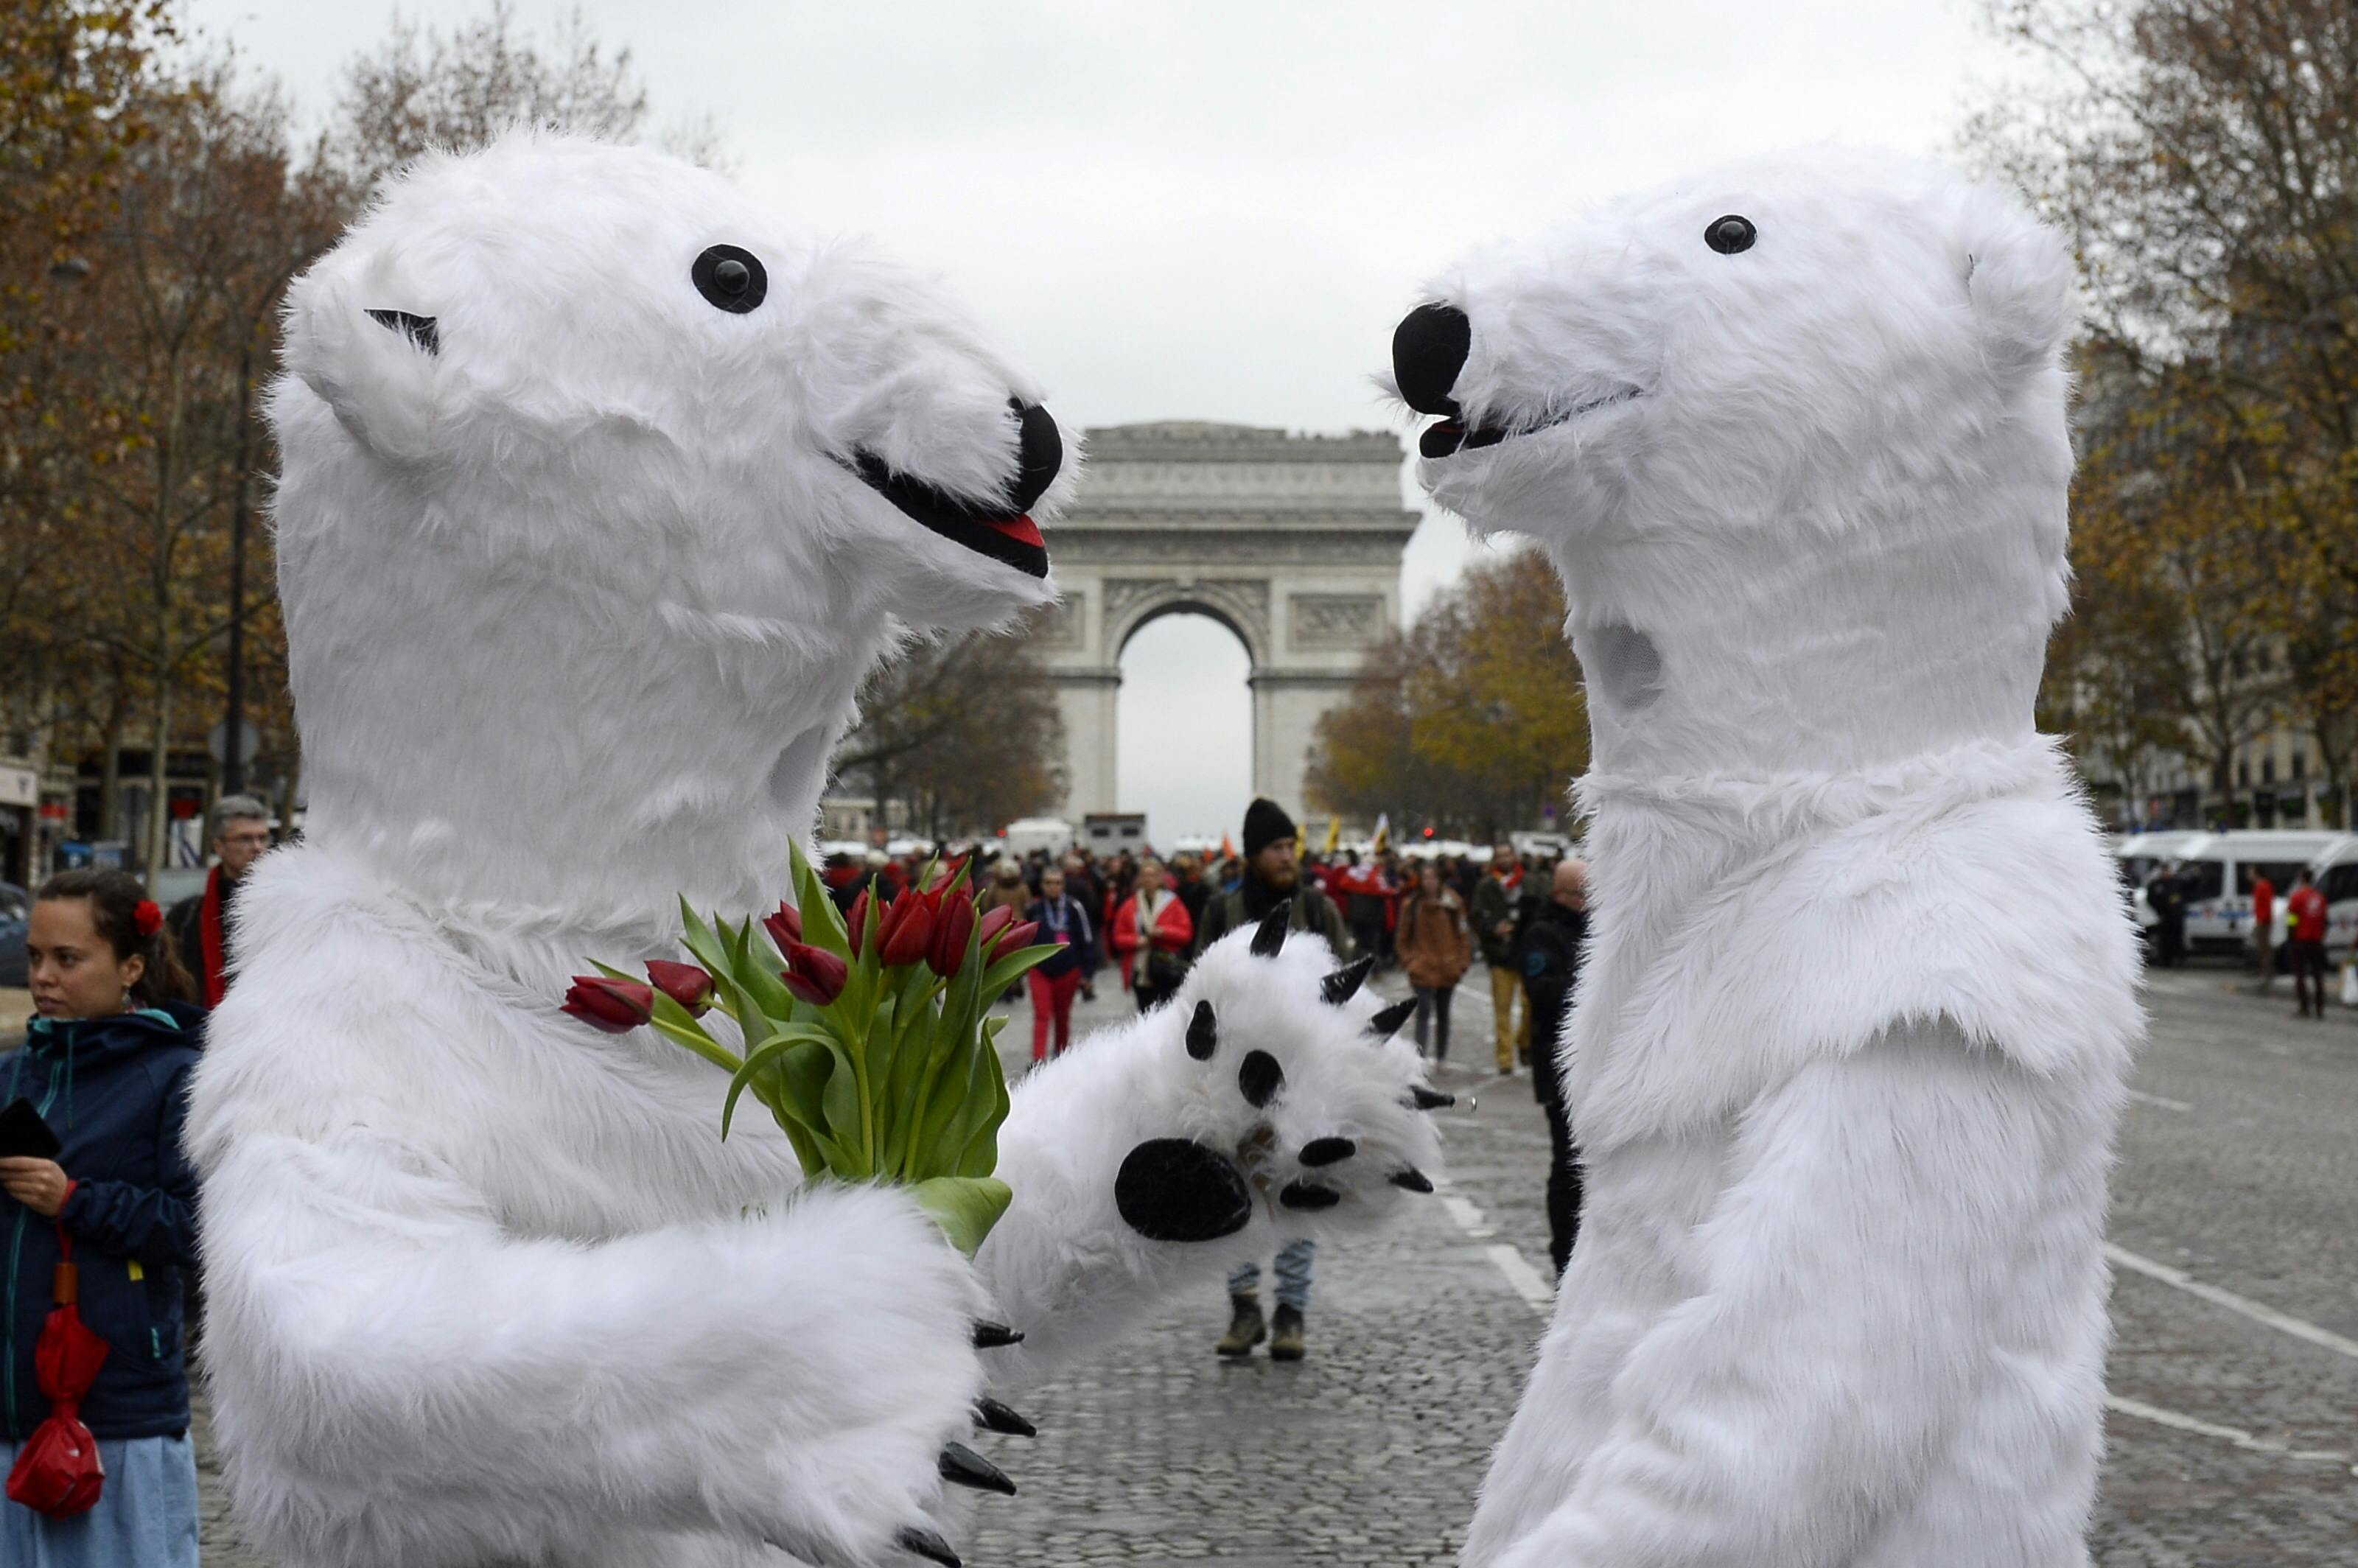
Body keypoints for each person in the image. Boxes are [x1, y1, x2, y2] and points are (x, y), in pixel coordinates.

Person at [1, 869, 203, 1567]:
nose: (43, 977)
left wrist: (76, 1200)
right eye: (35, 957)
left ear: (131, 968)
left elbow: (200, 1229)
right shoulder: (13, 1074)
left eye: (68, 958)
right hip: (11, 1412)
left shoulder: (176, 1076)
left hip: (116, 1415)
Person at [1199, 799, 1348, 1362]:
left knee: (1301, 1194)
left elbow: (1346, 987)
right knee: (1235, 1194)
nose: (1288, 856)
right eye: (1277, 848)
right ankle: (1243, 1307)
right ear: (1253, 855)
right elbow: (1200, 995)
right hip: (1234, 1082)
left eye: (1291, 847)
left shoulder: (1319, 909)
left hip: (1306, 1079)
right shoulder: (1223, 910)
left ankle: (1291, 1312)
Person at [1519, 858, 1590, 1275]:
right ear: (1564, 894)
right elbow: (1542, 991)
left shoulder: (1598, 929)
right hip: (1560, 1066)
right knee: (1567, 1164)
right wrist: (1591, 991)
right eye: (1583, 894)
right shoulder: (1543, 933)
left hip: (1596, 1065)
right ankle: (1564, 1255)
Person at [164, 794, 272, 1009]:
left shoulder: (286, 907)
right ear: (219, 846)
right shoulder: (186, 917)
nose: (257, 847)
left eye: (263, 838)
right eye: (245, 839)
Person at [1396, 861, 1472, 1059]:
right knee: (1423, 1013)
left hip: (1448, 966)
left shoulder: (1452, 903)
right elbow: (1402, 937)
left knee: (1443, 1014)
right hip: (1422, 966)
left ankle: (1441, 1057)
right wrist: (1409, 961)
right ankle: (1419, 1057)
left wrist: (1461, 962)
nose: (1430, 882)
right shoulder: (1412, 905)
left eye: (1433, 878)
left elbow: (1463, 934)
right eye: (1426, 878)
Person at [1022, 865, 1095, 1063]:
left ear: (1063, 885)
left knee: (1062, 1016)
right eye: (1048, 883)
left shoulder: (1074, 907)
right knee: (1042, 1014)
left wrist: (1087, 973)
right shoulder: (1034, 909)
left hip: (1068, 969)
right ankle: (1038, 1060)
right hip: (1040, 969)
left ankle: (1061, 1055)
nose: (1053, 887)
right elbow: (1025, 939)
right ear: (1041, 885)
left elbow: (1086, 938)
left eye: (1057, 883)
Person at [1472, 841, 1530, 1072]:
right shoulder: (1487, 886)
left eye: (1508, 855)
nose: (1505, 859)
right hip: (1500, 954)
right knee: (1502, 1010)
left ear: (1514, 856)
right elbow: (1477, 916)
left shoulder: (1527, 881)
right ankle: (1505, 1059)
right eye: (1500, 856)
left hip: (1525, 952)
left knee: (1530, 1005)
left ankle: (1524, 1041)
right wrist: (1492, 929)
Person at [1109, 857, 1193, 1011]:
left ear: (1161, 878)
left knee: (1167, 1011)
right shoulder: (1130, 905)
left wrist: (1163, 932)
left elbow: (1186, 933)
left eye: (1152, 875)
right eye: (1145, 875)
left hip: (1166, 967)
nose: (1148, 879)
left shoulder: (1173, 903)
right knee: (1145, 1012)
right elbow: (1118, 937)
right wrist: (1137, 941)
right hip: (1140, 970)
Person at [2286, 866, 2329, 1019]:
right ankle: (2320, 1008)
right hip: (2316, 942)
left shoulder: (2297, 897)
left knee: (2300, 976)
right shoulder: (2320, 898)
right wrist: (2321, 935)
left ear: (2301, 879)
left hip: (2301, 940)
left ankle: (2304, 1007)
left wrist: (2291, 937)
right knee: (2318, 976)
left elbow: (2292, 919)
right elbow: (2325, 921)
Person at [2145, 862, 2187, 969]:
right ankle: (2165, 961)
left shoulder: (2177, 882)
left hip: (2177, 917)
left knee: (2177, 939)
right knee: (2164, 940)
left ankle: (2178, 960)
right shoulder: (2157, 884)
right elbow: (2150, 898)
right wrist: (2159, 909)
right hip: (2164, 916)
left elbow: (2189, 890)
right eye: (2164, 871)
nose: (2166, 873)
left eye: (2167, 871)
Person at [2248, 869, 2276, 993]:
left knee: (2264, 949)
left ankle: (2267, 973)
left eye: (2250, 873)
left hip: (2263, 922)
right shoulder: (2261, 886)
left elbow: (2267, 905)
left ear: (2256, 873)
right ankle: (2266, 972)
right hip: (2262, 920)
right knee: (2263, 948)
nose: (2249, 875)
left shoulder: (2263, 886)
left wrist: (2261, 921)